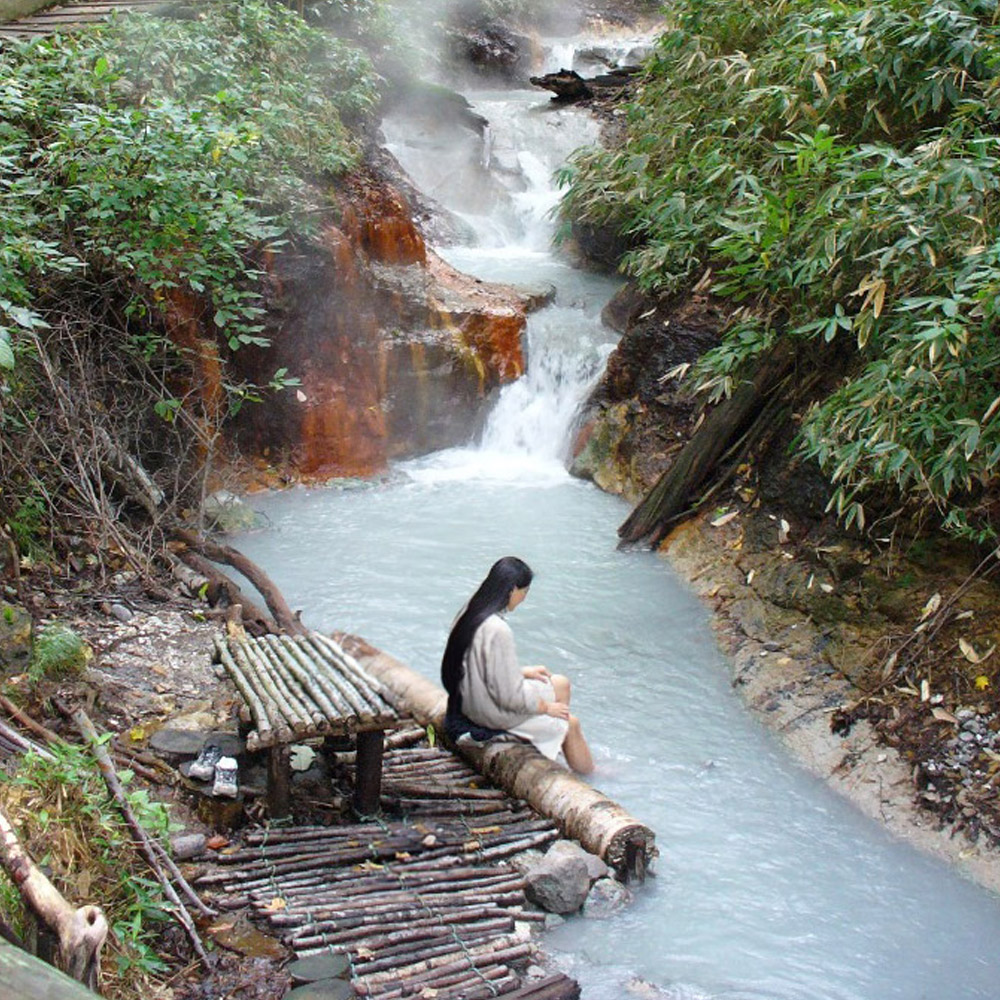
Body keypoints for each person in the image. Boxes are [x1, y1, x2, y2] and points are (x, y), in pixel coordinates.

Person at [441, 556, 594, 775]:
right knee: (571, 723)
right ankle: (591, 777)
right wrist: (547, 709)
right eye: (525, 592)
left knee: (561, 684)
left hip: (463, 706)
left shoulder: (470, 612)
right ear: (512, 590)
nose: (524, 599)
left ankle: (555, 746)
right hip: (477, 723)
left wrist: (523, 672)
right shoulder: (497, 629)